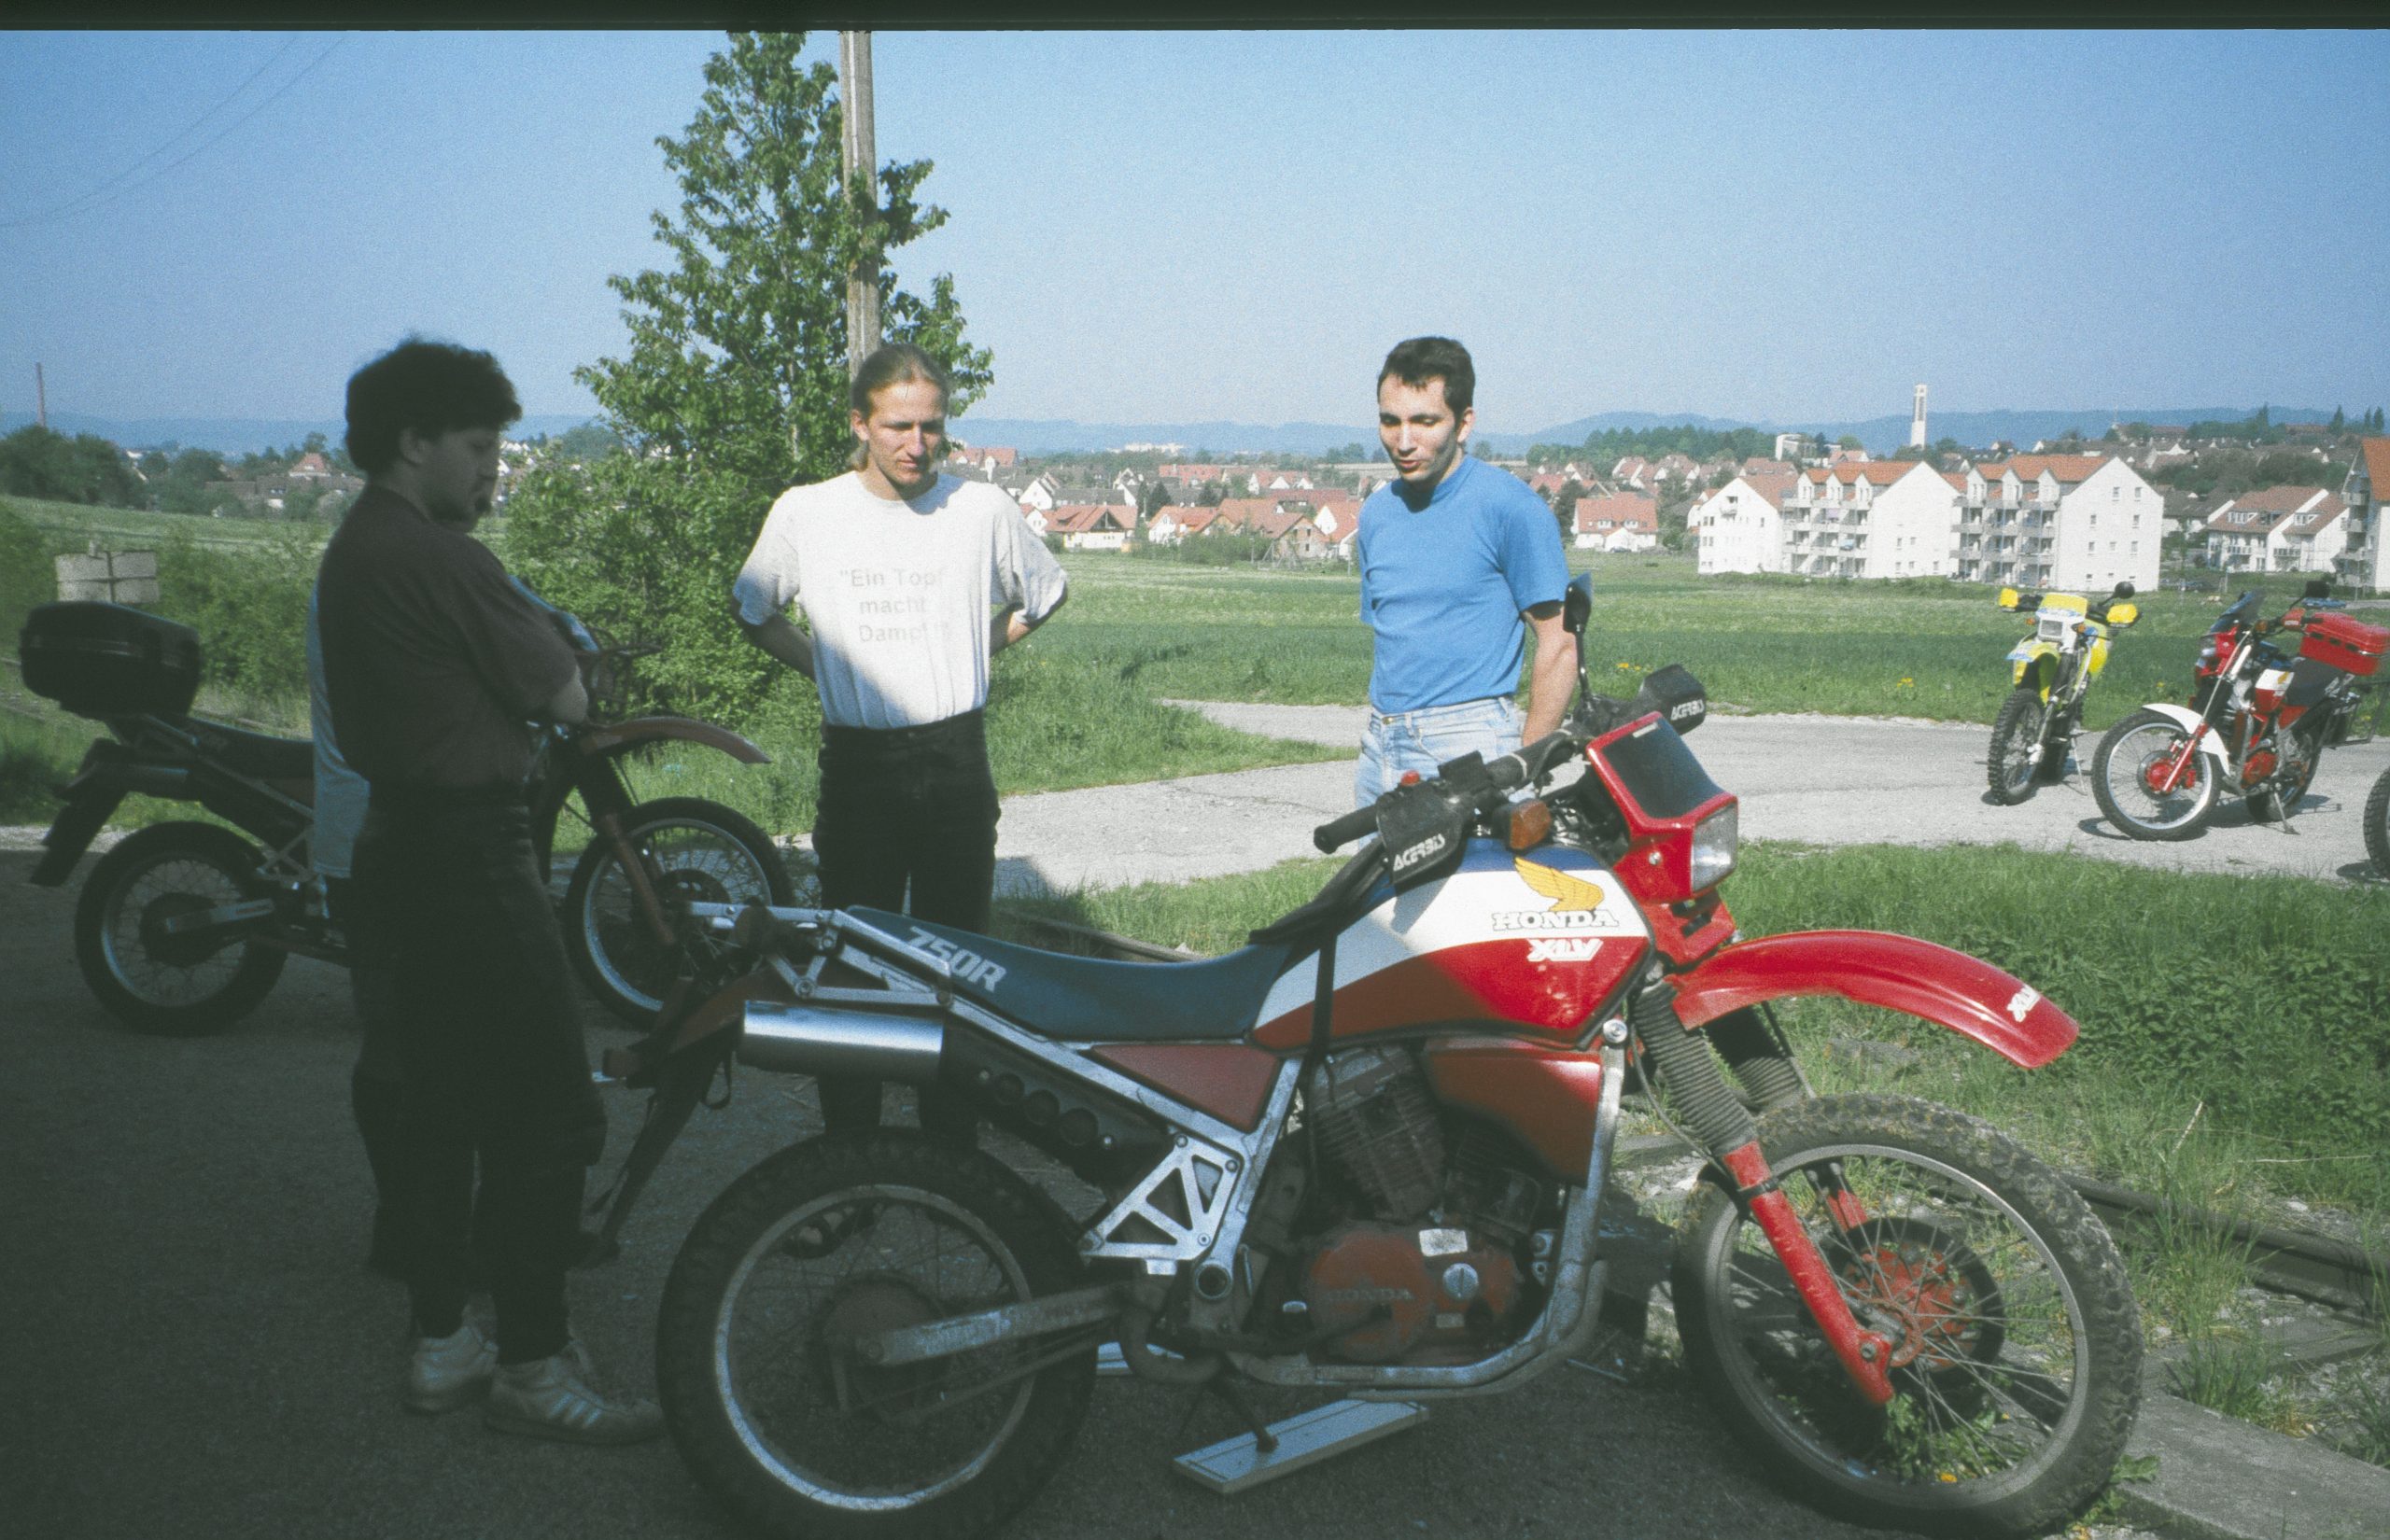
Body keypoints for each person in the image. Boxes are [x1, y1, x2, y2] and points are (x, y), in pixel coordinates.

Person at [316, 336, 659, 1445]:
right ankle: (532, 1364)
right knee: (551, 1114)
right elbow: (566, 696)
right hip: (471, 853)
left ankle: (442, 1341)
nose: (491, 470)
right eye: (477, 447)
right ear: (414, 442)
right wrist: (556, 656)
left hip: (394, 849)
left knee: (437, 1108)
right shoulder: (439, 556)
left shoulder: (354, 548)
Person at [734, 342, 1066, 1141]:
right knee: (851, 963)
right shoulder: (808, 511)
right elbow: (753, 608)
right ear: (860, 424)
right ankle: (851, 1154)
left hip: (955, 761)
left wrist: (972, 650)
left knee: (959, 967)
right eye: (897, 426)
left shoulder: (981, 509)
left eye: (932, 427)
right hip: (860, 767)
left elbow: (1046, 594)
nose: (917, 444)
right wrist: (828, 669)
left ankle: (951, 1158)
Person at [1353, 336, 1574, 807]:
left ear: (1464, 422)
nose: (1404, 442)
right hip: (1380, 743)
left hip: (1468, 742)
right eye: (1390, 421)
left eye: (1425, 422)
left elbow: (1559, 643)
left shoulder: (1511, 509)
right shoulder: (1376, 514)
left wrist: (1524, 765)